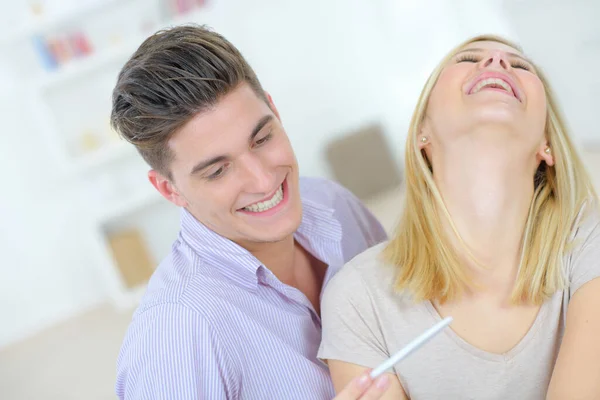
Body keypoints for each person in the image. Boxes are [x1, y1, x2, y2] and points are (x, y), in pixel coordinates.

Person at [111, 24, 391, 399]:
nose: (263, 180)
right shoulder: (178, 334)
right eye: (218, 170)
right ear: (169, 189)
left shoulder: (333, 204)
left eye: (262, 138)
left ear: (274, 110)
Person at [318, 34, 600, 399]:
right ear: (422, 132)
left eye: (519, 66)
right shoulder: (358, 298)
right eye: (468, 58)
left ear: (547, 144)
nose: (498, 61)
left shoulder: (587, 236)